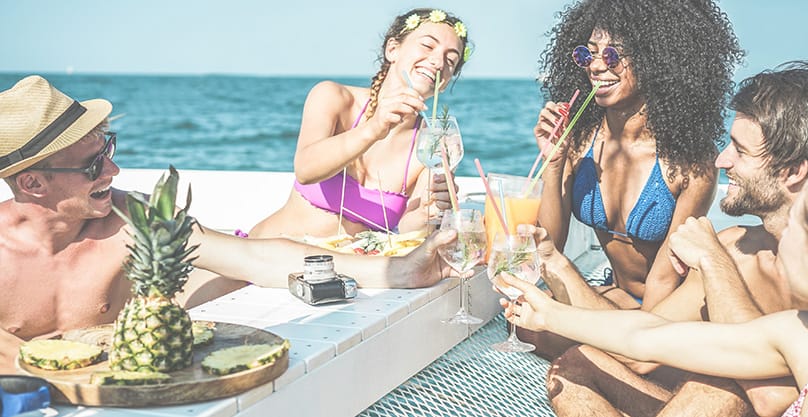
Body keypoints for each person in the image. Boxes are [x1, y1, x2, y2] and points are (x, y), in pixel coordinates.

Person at [0, 75, 460, 374]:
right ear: (33, 183)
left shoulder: (129, 220)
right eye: (91, 165)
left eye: (109, 150)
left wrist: (398, 271)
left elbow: (257, 257)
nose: (113, 172)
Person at [539, 62, 808, 416]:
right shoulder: (735, 247)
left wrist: (713, 262)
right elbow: (640, 346)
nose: (721, 160)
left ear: (793, 171)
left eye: (739, 150)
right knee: (575, 367)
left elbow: (771, 399)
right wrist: (554, 269)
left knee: (716, 388)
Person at [502, 150, 808, 417]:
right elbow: (644, 337)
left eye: (793, 231)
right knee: (577, 363)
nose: (779, 239)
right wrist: (547, 311)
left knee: (716, 385)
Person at [523, 0, 743, 359]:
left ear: (658, 60)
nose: (596, 66)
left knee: (574, 342)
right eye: (587, 54)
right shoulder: (579, 140)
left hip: (669, 311)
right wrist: (553, 164)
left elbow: (661, 286)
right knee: (527, 328)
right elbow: (549, 246)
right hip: (615, 299)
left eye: (612, 56)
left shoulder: (690, 162)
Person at [250, 8, 471, 240]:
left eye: (450, 60)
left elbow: (406, 229)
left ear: (445, 83)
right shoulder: (333, 97)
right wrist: (374, 128)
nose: (438, 62)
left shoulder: (434, 142)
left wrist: (431, 212)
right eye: (427, 46)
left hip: (341, 271)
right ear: (392, 49)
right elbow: (305, 170)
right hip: (262, 256)